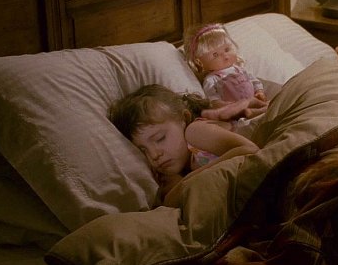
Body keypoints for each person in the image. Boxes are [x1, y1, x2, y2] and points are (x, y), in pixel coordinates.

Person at [108, 84, 259, 201]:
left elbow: (249, 150)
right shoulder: (178, 171)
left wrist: (184, 184)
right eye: (143, 150)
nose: (154, 155)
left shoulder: (195, 132)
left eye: (160, 138)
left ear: (184, 119)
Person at [184, 23, 268, 121]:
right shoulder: (212, 79)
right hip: (233, 110)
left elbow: (254, 81)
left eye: (227, 49)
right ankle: (253, 112)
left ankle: (259, 109)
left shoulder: (240, 69)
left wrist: (259, 91)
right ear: (200, 62)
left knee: (268, 103)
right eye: (215, 55)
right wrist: (224, 105)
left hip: (253, 102)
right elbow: (213, 99)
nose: (225, 56)